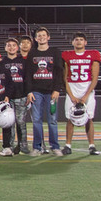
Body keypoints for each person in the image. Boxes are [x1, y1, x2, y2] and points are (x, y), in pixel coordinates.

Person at [25, 27, 63, 156]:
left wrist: (57, 89)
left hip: (51, 91)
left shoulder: (55, 52)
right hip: (36, 91)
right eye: (38, 36)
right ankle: (37, 147)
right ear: (35, 39)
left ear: (48, 37)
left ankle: (55, 146)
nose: (41, 37)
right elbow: (28, 74)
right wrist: (29, 91)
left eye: (43, 35)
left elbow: (59, 72)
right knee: (36, 119)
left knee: (52, 119)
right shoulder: (32, 53)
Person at [62, 32, 101, 156]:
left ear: (85, 42)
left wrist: (86, 95)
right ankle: (68, 145)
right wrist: (71, 95)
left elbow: (95, 77)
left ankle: (92, 145)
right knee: (70, 118)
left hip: (87, 87)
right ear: (72, 42)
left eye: (81, 39)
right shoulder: (66, 55)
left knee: (89, 117)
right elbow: (64, 78)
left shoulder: (93, 54)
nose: (79, 41)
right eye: (76, 39)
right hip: (72, 87)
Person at [0, 37, 30, 155]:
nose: (11, 47)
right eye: (9, 45)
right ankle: (9, 146)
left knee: (21, 122)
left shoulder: (24, 62)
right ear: (5, 48)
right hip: (7, 97)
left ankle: (23, 145)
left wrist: (28, 93)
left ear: (17, 47)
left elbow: (27, 79)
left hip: (21, 95)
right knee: (9, 122)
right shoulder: (1, 64)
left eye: (14, 45)